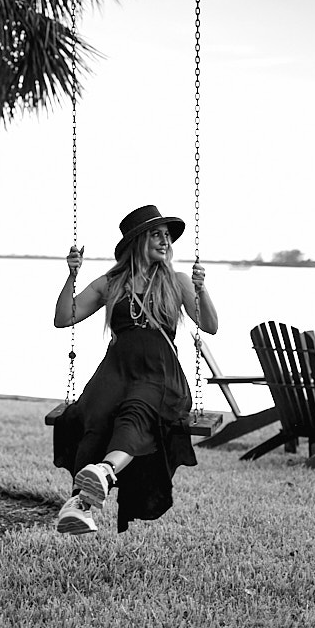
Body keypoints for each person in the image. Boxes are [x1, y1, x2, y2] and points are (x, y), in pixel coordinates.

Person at [52, 204, 218, 535]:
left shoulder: (178, 281)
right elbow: (64, 317)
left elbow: (210, 325)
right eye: (156, 234)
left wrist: (201, 289)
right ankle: (80, 504)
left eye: (167, 236)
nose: (165, 241)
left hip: (159, 373)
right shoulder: (111, 283)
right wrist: (72, 275)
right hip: (116, 370)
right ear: (137, 241)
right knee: (92, 417)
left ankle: (105, 472)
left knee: (138, 412)